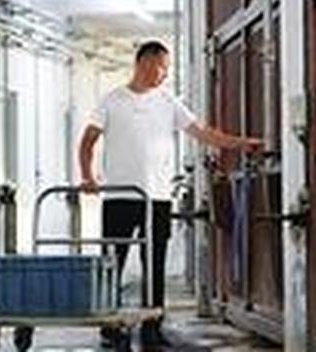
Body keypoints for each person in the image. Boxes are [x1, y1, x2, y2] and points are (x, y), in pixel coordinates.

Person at [77, 40, 262, 349]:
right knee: (112, 262)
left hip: (157, 198)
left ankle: (152, 328)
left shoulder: (168, 102)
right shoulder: (112, 101)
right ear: (145, 63)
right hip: (119, 196)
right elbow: (87, 141)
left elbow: (202, 132)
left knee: (156, 264)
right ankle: (108, 326)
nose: (165, 74)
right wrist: (87, 176)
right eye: (163, 66)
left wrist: (241, 144)